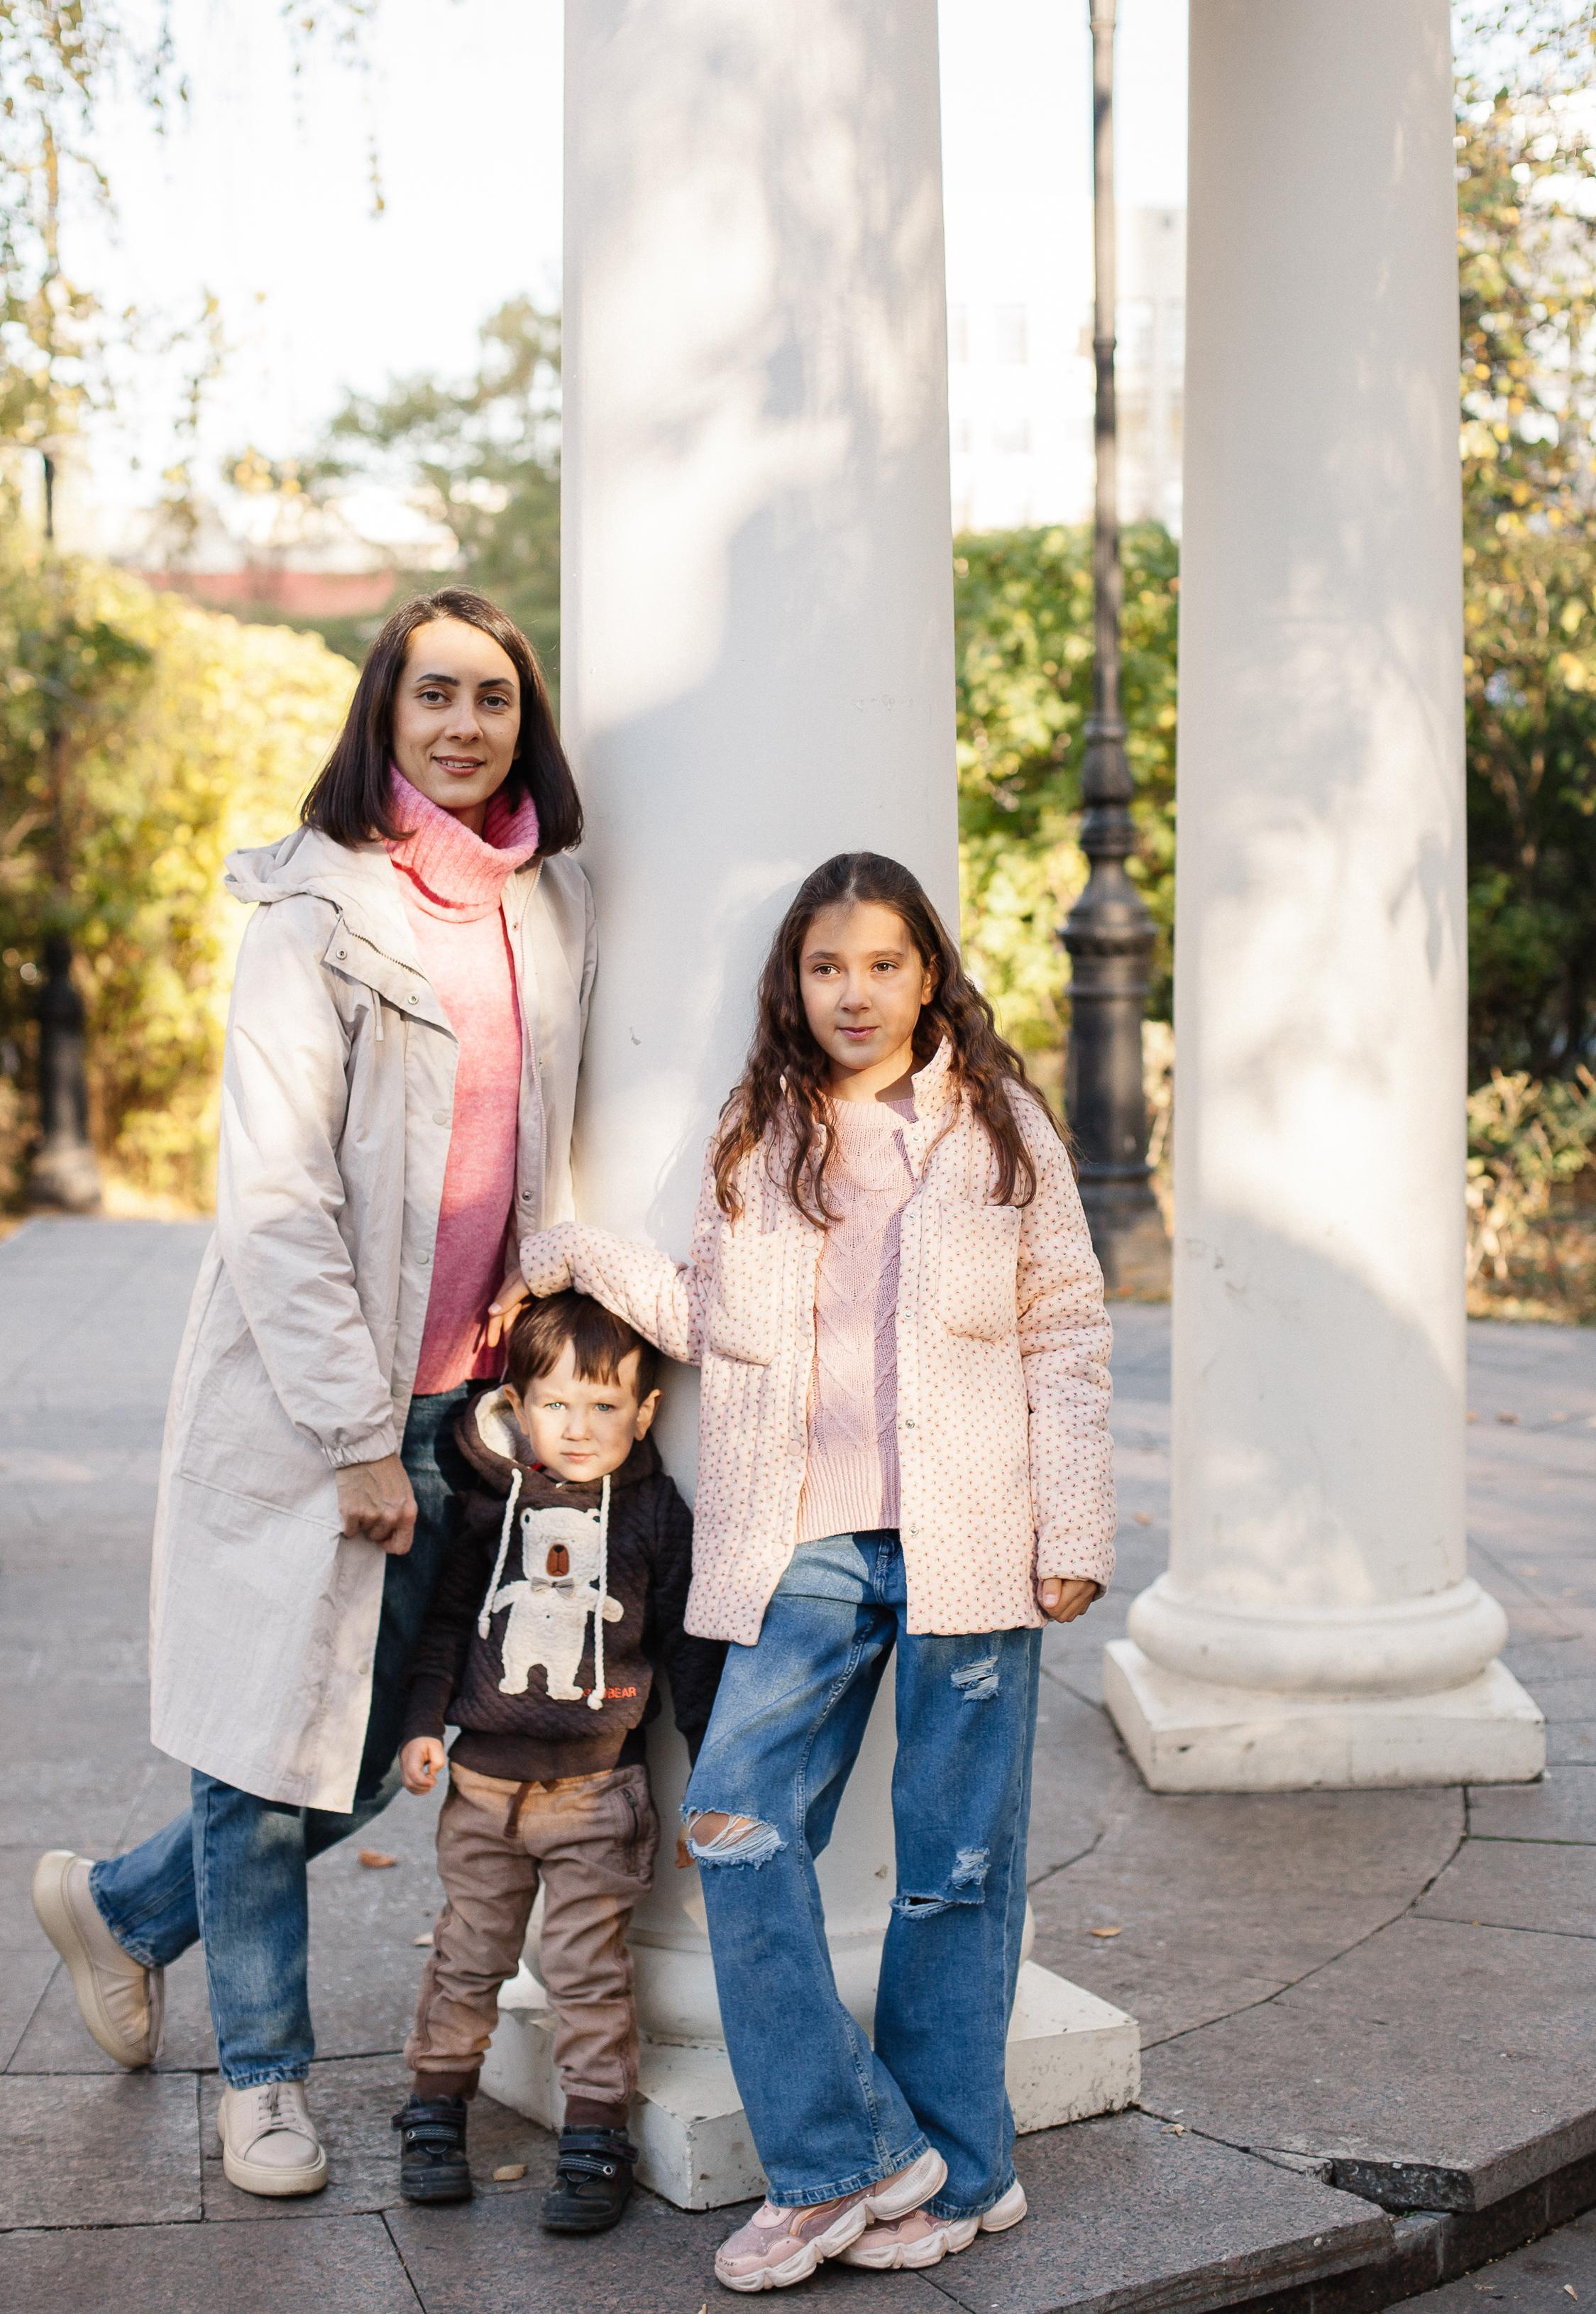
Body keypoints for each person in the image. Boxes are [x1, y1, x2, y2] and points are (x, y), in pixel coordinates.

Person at [31, 587, 595, 2200]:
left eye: (493, 697)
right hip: (313, 1406)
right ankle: (262, 2084)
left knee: (380, 1741)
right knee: (263, 1745)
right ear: (386, 713)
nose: (466, 724)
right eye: (436, 695)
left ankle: (133, 1910)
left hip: (469, 1404)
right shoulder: (316, 914)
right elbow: (274, 1198)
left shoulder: (547, 906)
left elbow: (538, 1144)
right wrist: (356, 1433)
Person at [497, 849, 1114, 2293]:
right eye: (829, 965)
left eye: (884, 963)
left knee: (959, 1866)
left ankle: (967, 2173)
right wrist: (572, 1248)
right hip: (805, 1540)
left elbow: (1068, 1331)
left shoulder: (1001, 1127)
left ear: (928, 972)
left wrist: (1074, 1528)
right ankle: (850, 2155)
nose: (856, 991)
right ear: (796, 979)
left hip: (977, 1536)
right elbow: (707, 1312)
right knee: (733, 1816)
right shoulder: (760, 1130)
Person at [391, 1290, 722, 2235]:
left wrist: (708, 1778)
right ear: (519, 1406)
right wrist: (425, 1724)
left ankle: (593, 2136)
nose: (578, 1428)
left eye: (604, 1405)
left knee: (588, 1972)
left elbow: (689, 1654)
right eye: (556, 1404)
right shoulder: (491, 1506)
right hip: (482, 1789)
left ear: (645, 1412)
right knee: (467, 1957)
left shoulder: (655, 1516)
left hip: (595, 1796)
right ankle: (433, 2114)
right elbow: (448, 1625)